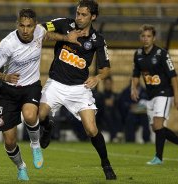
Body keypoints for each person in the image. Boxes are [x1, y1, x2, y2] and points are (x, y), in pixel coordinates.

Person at [0, 8, 84, 181]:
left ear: (35, 25)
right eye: (22, 26)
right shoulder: (8, 43)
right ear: (17, 24)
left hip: (31, 86)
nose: (25, 30)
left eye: (29, 26)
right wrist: (4, 76)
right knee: (9, 141)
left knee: (30, 115)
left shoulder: (39, 31)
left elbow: (47, 36)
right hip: (8, 91)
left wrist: (66, 38)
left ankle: (35, 145)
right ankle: (21, 166)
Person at [39, 0, 116, 180]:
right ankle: (48, 126)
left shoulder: (98, 40)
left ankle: (106, 164)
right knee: (39, 116)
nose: (79, 18)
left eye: (83, 15)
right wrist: (65, 38)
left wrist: (97, 78)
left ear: (93, 17)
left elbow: (106, 69)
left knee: (91, 130)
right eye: (77, 13)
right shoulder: (64, 24)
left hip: (79, 89)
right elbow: (39, 31)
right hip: (56, 83)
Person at [131, 24, 178, 165]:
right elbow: (135, 74)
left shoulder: (162, 54)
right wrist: (134, 88)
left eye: (149, 36)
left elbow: (173, 76)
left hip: (164, 93)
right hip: (151, 95)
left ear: (154, 38)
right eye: (143, 36)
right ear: (140, 37)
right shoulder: (138, 54)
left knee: (157, 125)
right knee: (156, 128)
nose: (146, 39)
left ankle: (159, 157)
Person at [98, 76, 123, 143]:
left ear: (112, 84)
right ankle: (115, 135)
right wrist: (104, 102)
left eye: (109, 84)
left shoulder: (115, 95)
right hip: (102, 116)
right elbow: (98, 107)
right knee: (108, 114)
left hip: (114, 114)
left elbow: (119, 106)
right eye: (107, 84)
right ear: (104, 84)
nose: (108, 85)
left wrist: (113, 103)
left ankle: (118, 133)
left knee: (116, 113)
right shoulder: (100, 95)